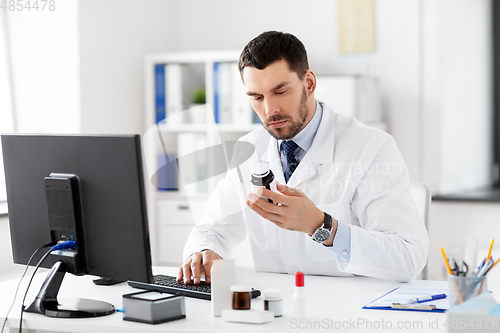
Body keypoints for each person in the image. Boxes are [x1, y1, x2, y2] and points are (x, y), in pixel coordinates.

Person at [177, 31, 428, 284]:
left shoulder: (371, 147)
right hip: (273, 308)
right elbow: (211, 229)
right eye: (257, 97)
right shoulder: (249, 150)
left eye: (280, 91)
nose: (269, 110)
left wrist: (321, 226)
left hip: (348, 309)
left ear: (309, 83)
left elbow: (408, 257)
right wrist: (202, 251)